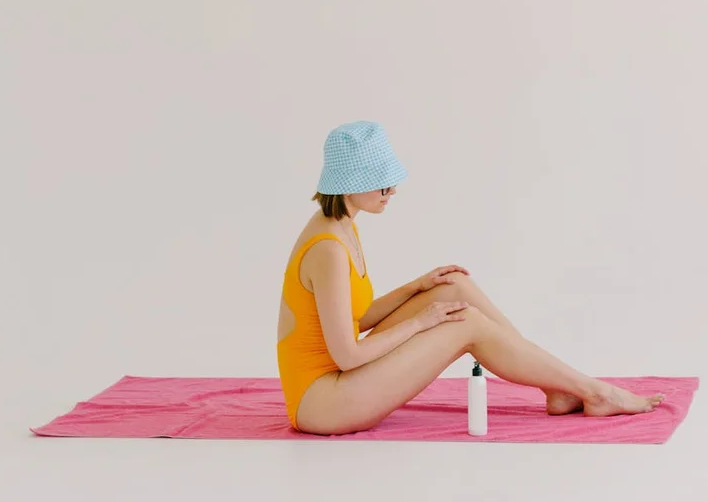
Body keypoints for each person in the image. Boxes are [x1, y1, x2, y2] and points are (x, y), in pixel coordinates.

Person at [276, 120, 664, 435]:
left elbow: (354, 318)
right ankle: (595, 392)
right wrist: (419, 322)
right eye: (382, 181)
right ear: (351, 183)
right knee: (466, 325)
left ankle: (556, 385)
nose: (392, 189)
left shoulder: (341, 225)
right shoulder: (327, 249)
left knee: (451, 287)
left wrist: (417, 288)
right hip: (323, 402)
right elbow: (348, 354)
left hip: (338, 382)